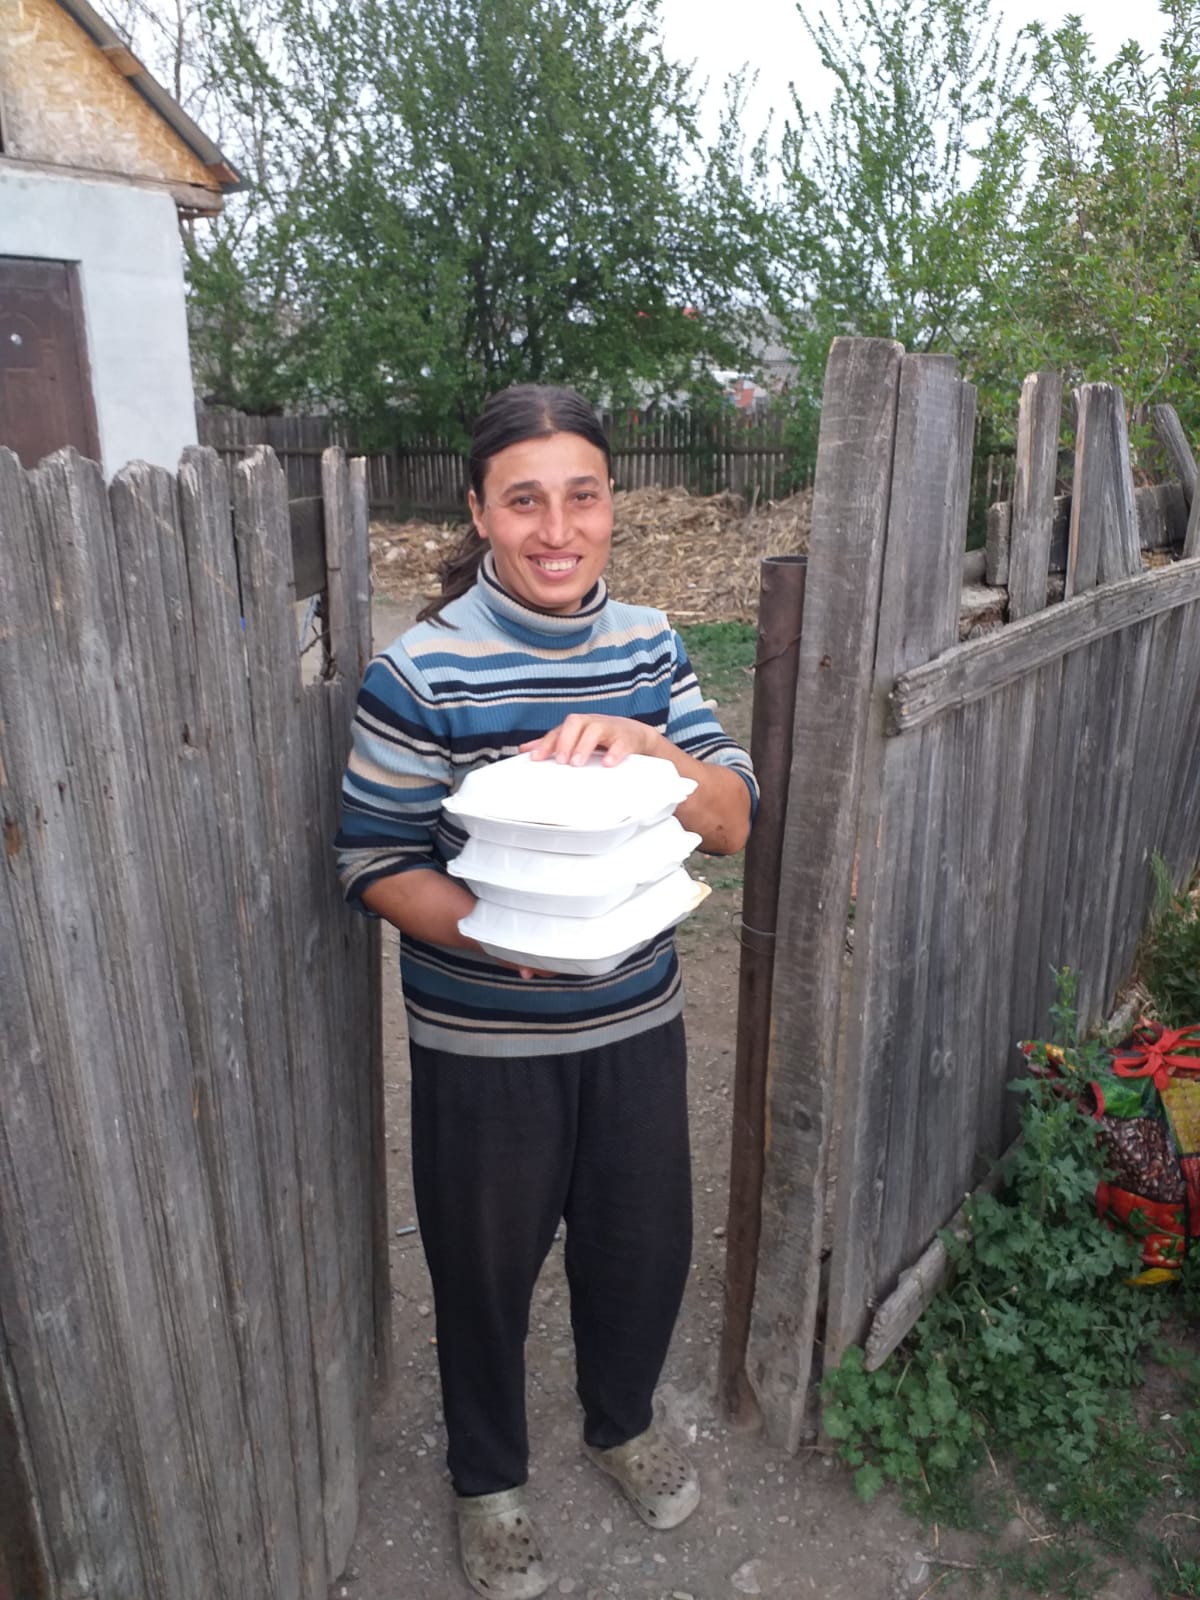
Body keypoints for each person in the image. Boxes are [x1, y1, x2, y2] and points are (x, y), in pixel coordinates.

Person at [335, 385, 756, 1600]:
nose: (557, 528)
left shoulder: (652, 646)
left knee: (640, 1248)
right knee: (483, 1270)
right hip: (484, 1046)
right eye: (524, 500)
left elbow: (731, 820)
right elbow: (372, 861)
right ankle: (488, 1479)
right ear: (479, 510)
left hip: (637, 1025)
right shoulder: (420, 671)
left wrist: (651, 745)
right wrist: (505, 934)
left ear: (614, 503)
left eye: (583, 495)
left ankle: (622, 1423)